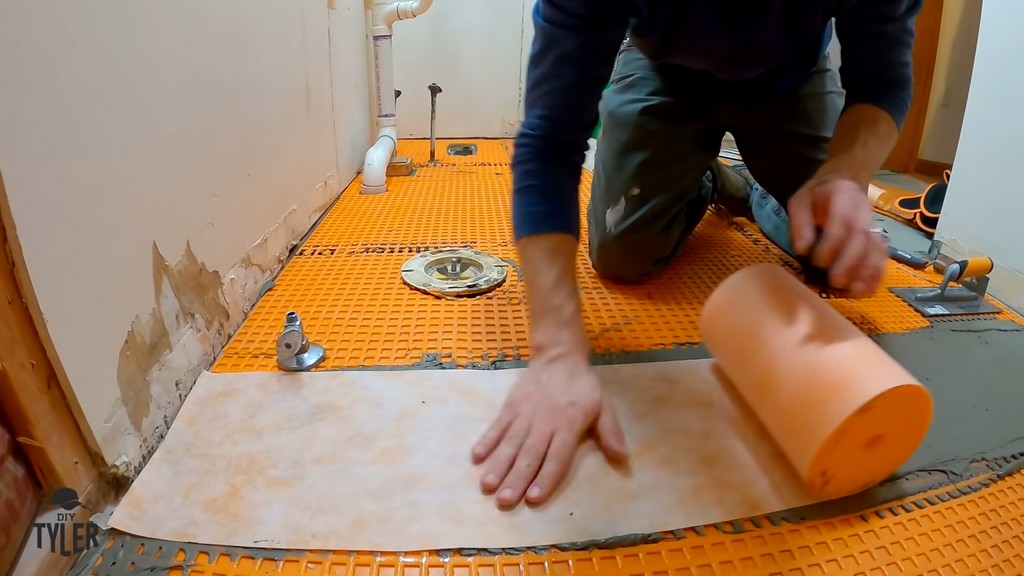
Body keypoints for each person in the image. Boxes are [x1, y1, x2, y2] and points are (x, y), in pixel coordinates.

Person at [471, 0, 923, 509]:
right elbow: (549, 141)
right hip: (661, 73)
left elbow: (882, 84)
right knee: (624, 255)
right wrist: (556, 353)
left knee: (833, 256)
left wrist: (845, 174)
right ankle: (705, 179)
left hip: (791, 80)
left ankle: (751, 191)